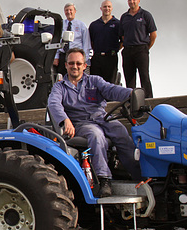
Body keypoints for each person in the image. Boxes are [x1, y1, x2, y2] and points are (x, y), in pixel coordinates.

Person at [47, 48, 142, 197]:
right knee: (96, 135)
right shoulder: (59, 87)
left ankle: (138, 174)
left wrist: (131, 94)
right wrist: (65, 120)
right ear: (65, 65)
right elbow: (54, 104)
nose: (75, 66)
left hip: (101, 118)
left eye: (79, 63)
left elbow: (111, 90)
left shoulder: (95, 81)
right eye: (71, 63)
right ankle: (104, 180)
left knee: (120, 131)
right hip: (80, 124)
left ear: (85, 66)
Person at [120, 0, 157, 98]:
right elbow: (122, 35)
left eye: (134, 0)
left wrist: (146, 48)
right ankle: (132, 101)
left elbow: (153, 34)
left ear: (138, 0)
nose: (132, 2)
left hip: (141, 49)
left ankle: (149, 99)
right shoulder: (124, 17)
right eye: (130, 0)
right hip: (128, 50)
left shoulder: (145, 15)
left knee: (144, 76)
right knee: (129, 78)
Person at [53, 3, 92, 76]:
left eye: (70, 10)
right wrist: (56, 57)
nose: (68, 12)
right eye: (66, 10)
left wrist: (84, 59)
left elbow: (86, 44)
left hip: (76, 56)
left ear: (75, 11)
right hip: (63, 56)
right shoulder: (60, 25)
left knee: (76, 77)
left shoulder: (81, 25)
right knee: (62, 78)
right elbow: (56, 41)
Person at [89, 0, 122, 84]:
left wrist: (116, 49)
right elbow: (91, 41)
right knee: (95, 84)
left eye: (109, 6)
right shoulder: (94, 25)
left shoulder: (118, 24)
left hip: (111, 58)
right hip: (97, 58)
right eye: (105, 7)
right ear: (101, 8)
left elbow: (123, 40)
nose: (107, 8)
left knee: (110, 84)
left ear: (112, 8)